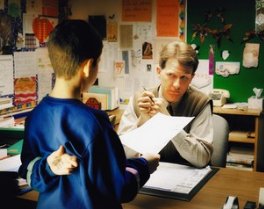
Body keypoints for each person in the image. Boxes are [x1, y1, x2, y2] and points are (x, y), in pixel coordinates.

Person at [18, 19, 160, 209]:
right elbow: (120, 188)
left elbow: (28, 171)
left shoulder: (35, 117)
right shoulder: (95, 123)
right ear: (87, 67)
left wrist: (47, 166)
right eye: (98, 62)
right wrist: (144, 165)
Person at [118, 40, 213, 168]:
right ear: (158, 71)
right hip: (148, 177)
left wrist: (168, 122)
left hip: (188, 179)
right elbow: (120, 154)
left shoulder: (200, 103)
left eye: (184, 77)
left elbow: (202, 159)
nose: (177, 85)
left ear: (192, 77)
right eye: (171, 75)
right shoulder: (139, 100)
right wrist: (143, 122)